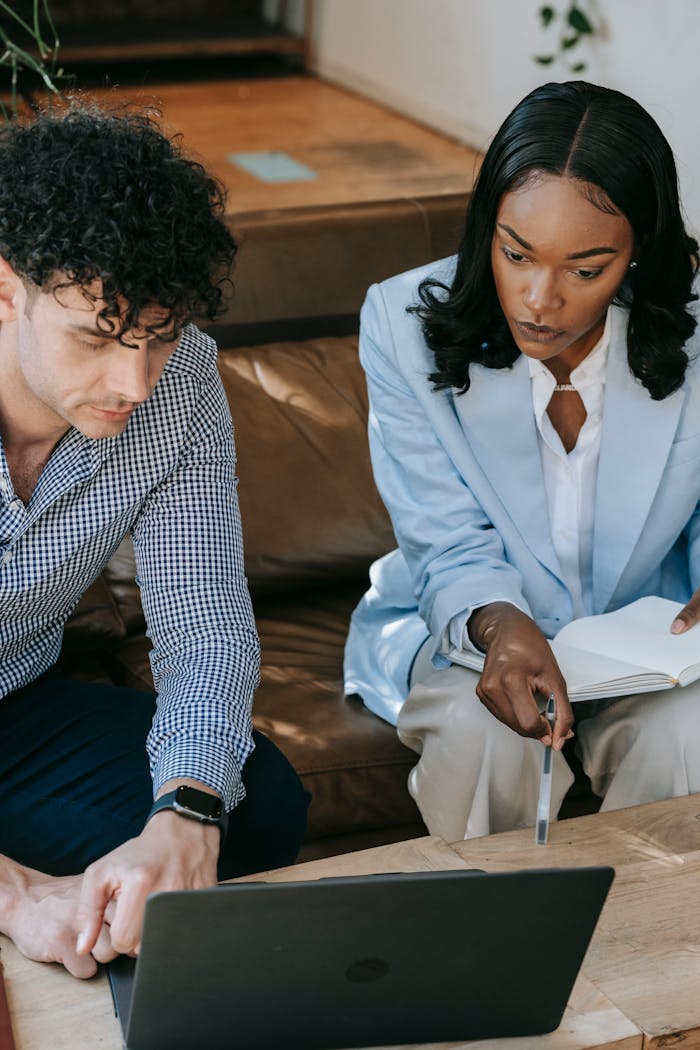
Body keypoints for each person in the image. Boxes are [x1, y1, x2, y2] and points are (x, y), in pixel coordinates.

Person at [344, 80, 700, 843]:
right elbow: (444, 535)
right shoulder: (401, 327)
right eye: (516, 254)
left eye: (586, 269)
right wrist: (501, 625)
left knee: (690, 733)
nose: (540, 300)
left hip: (647, 645)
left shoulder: (694, 330)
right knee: (487, 738)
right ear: (487, 231)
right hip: (469, 635)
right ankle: (485, 955)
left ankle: (649, 952)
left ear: (640, 251)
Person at [0, 102, 309, 978]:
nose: (132, 380)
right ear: (6, 289)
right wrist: (19, 898)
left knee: (255, 803)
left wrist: (187, 815)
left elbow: (204, 623)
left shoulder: (180, 388)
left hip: (15, 712)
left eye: (159, 338)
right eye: (98, 335)